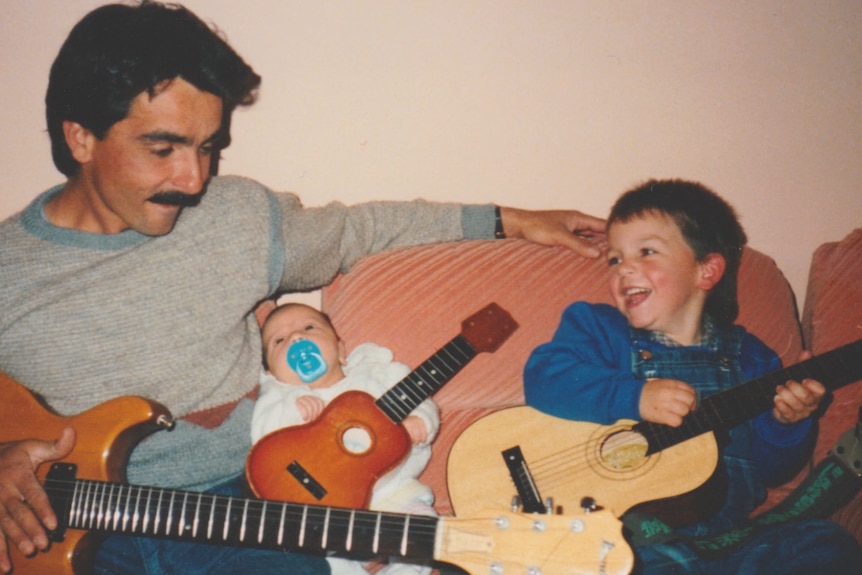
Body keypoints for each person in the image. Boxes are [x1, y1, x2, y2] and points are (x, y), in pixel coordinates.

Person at [0, 2, 606, 574]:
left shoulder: (233, 218)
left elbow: (359, 229)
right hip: (72, 533)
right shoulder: (9, 271)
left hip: (249, 503)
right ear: (80, 137)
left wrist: (512, 220)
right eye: (163, 148)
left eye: (208, 147)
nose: (194, 178)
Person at [523, 179, 861, 574]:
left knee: (826, 543)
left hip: (730, 542)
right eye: (614, 259)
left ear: (706, 271)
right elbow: (543, 378)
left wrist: (786, 424)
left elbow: (773, 472)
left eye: (646, 251)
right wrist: (634, 396)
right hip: (631, 541)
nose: (624, 268)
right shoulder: (599, 327)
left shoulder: (752, 358)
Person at [252, 303, 437, 575]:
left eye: (308, 327)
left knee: (425, 529)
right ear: (271, 372)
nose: (296, 339)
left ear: (340, 350)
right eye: (278, 341)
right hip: (327, 515)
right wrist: (290, 406)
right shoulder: (279, 398)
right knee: (316, 560)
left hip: (391, 499)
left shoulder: (375, 377)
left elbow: (418, 397)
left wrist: (421, 421)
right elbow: (262, 440)